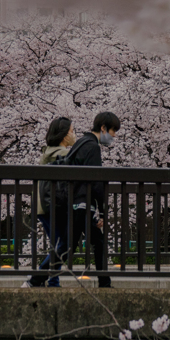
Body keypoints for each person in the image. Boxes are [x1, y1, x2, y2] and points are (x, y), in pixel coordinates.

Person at [63, 111, 121, 289]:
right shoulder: (93, 147)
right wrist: (102, 211)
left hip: (74, 202)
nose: (114, 136)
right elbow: (96, 181)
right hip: (83, 203)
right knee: (91, 243)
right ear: (103, 128)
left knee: (69, 245)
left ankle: (39, 277)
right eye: (112, 131)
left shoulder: (81, 143)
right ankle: (37, 278)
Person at [21, 117, 75, 288]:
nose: (74, 135)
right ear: (65, 135)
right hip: (53, 205)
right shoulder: (59, 153)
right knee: (64, 243)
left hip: (45, 206)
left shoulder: (49, 152)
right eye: (72, 131)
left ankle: (52, 280)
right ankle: (38, 278)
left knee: (58, 244)